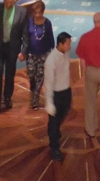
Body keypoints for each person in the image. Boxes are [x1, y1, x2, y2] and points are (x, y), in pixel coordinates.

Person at [0, 0, 28, 113]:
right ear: (3, 1)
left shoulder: (22, 12)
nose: (9, 5)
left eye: (11, 2)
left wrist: (24, 50)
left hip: (12, 48)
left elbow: (25, 33)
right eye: (7, 2)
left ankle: (8, 97)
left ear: (14, 0)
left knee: (10, 74)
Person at [44, 32, 73, 162]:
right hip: (56, 94)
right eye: (68, 44)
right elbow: (48, 83)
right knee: (54, 122)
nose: (70, 46)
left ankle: (54, 132)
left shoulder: (65, 53)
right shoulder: (51, 60)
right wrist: (49, 102)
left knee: (63, 113)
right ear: (60, 44)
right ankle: (54, 147)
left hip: (66, 91)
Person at [23, 1, 55, 110]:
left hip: (44, 54)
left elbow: (51, 39)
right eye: (36, 13)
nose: (37, 15)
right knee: (31, 74)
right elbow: (25, 38)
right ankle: (33, 86)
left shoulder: (47, 23)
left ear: (43, 12)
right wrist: (23, 51)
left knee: (40, 77)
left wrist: (52, 54)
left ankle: (35, 100)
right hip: (31, 53)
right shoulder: (29, 22)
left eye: (40, 13)